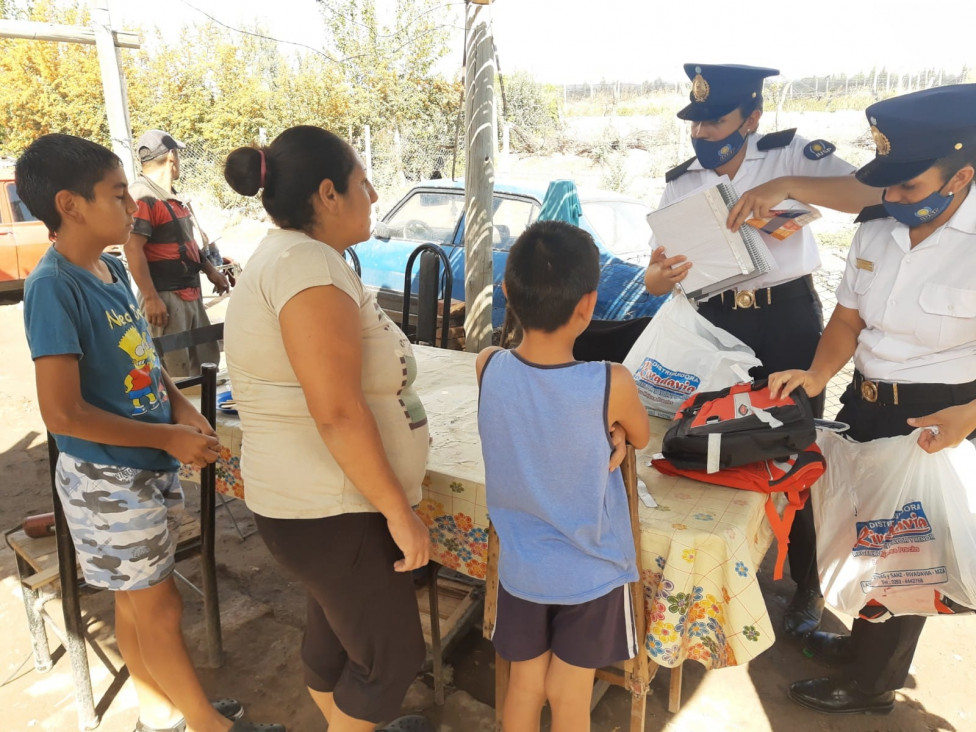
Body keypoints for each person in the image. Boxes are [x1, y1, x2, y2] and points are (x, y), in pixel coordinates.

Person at [16, 134, 284, 732]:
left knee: (136, 602)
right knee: (157, 604)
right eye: (118, 195)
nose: (133, 207)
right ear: (71, 204)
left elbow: (142, 358)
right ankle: (206, 725)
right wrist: (166, 439)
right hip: (107, 476)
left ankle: (161, 714)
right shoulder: (54, 287)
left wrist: (181, 411)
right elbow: (62, 414)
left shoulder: (110, 268)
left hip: (143, 464)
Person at [643, 63, 878, 638]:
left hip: (786, 324)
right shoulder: (681, 182)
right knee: (705, 441)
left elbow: (871, 190)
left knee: (794, 448)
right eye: (695, 122)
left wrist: (788, 187)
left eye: (716, 120)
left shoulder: (790, 154)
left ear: (752, 117)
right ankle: (712, 571)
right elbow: (655, 278)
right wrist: (657, 274)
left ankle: (807, 585)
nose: (702, 134)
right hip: (714, 323)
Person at [767, 83, 976, 714]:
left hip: (937, 415)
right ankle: (860, 650)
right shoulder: (879, 229)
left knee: (904, 550)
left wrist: (970, 415)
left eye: (909, 186)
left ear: (962, 174)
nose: (892, 198)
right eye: (887, 184)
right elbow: (846, 321)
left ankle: (871, 684)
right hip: (867, 402)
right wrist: (814, 373)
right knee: (866, 534)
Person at [222, 126, 433, 732]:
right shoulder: (306, 267)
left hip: (316, 507)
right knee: (391, 659)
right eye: (363, 182)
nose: (372, 194)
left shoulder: (294, 256)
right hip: (332, 509)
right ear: (327, 195)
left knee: (337, 639)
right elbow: (337, 411)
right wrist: (397, 511)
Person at [476, 220, 651, 732]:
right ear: (588, 305)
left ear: (508, 292)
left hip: (523, 567)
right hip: (591, 571)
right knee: (569, 692)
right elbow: (638, 436)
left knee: (525, 685)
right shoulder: (610, 382)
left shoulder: (488, 365)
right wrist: (612, 432)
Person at [124, 129, 230, 377]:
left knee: (204, 365)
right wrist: (151, 298)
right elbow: (132, 247)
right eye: (178, 156)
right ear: (172, 156)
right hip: (166, 298)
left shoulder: (169, 197)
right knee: (175, 372)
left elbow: (186, 243)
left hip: (189, 295)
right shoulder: (143, 195)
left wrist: (210, 269)